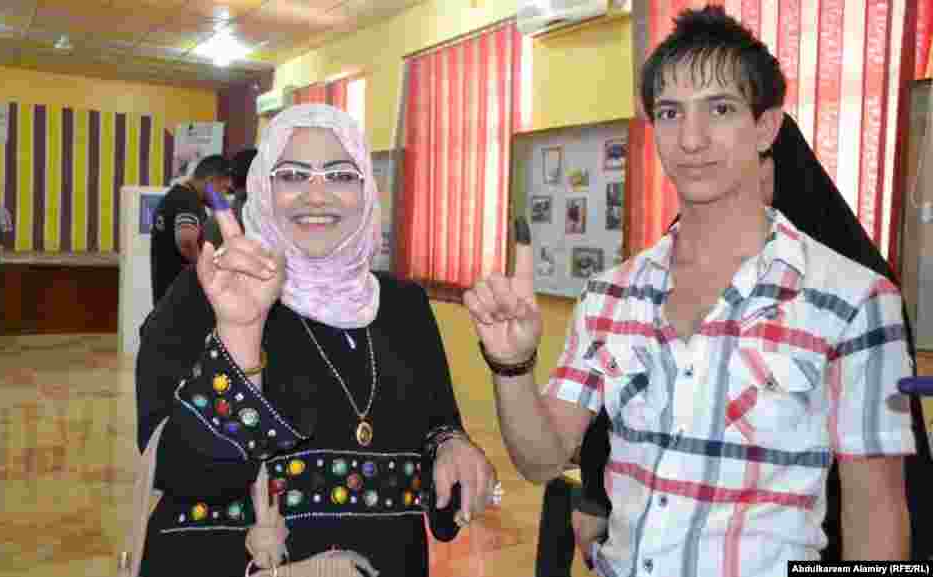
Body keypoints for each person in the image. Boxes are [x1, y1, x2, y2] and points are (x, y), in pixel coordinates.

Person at [466, 6, 916, 576]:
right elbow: (540, 458)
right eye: (670, 113)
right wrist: (511, 367)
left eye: (720, 109)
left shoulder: (854, 301)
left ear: (767, 126)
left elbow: (878, 512)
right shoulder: (611, 294)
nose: (692, 138)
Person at [135, 104, 498, 577]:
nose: (317, 195)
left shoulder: (403, 305)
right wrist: (239, 332)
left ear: (367, 190)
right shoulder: (204, 293)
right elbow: (176, 467)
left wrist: (451, 448)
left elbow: (435, 423)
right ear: (263, 188)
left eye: (341, 176)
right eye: (292, 175)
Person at [572, 112, 933, 566]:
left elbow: (884, 493)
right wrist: (593, 498)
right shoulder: (664, 270)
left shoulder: (853, 289)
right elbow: (617, 396)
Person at [150, 154, 232, 304]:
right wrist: (206, 272)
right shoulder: (188, 200)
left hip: (167, 295)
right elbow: (186, 241)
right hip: (179, 298)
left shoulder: (176, 195)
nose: (223, 196)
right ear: (211, 181)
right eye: (223, 189)